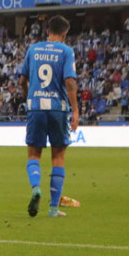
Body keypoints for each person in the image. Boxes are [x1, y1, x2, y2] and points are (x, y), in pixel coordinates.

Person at [18, 15, 79, 218]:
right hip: (57, 108)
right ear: (64, 33)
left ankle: (36, 188)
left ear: (47, 31)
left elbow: (21, 80)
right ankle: (53, 208)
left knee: (34, 154)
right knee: (58, 156)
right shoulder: (66, 51)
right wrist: (76, 110)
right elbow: (70, 81)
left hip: (36, 106)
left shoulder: (33, 49)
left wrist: (30, 96)